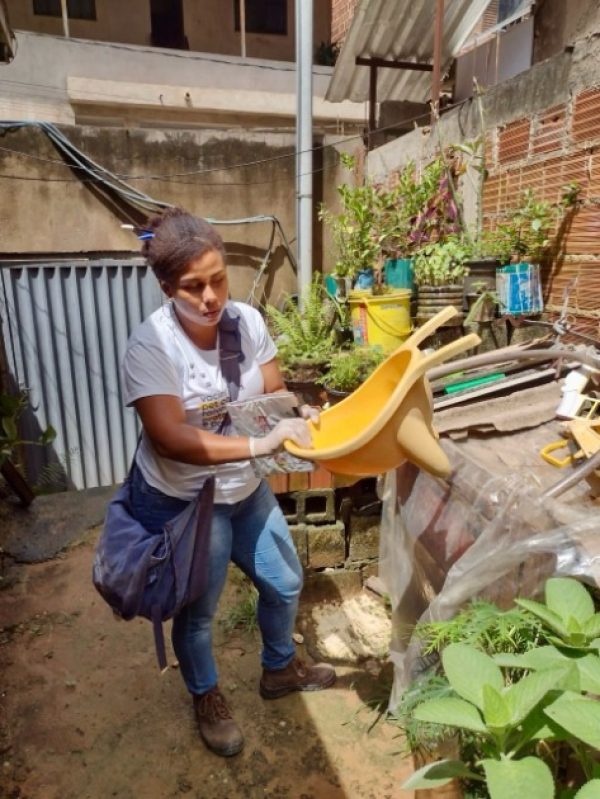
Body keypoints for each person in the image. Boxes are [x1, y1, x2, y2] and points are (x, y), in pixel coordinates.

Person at [122, 208, 336, 758]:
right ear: (168, 287)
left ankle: (279, 668)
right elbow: (169, 437)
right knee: (198, 614)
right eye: (194, 287)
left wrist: (297, 412)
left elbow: (273, 388)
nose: (211, 297)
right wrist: (259, 444)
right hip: (190, 500)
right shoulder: (153, 346)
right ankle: (206, 695)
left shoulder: (247, 321)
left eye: (218, 279)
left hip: (245, 490)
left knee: (285, 581)